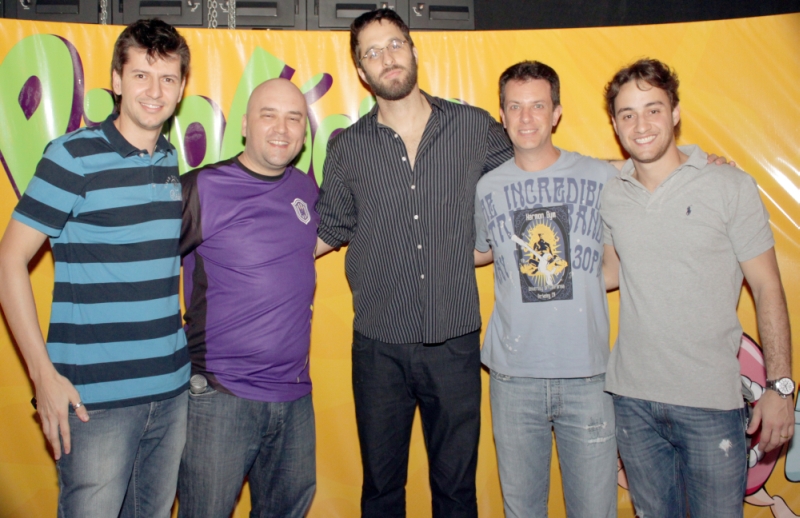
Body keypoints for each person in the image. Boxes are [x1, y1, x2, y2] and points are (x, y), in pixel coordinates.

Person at [314, 8, 513, 517]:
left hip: (455, 343)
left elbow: (530, 179)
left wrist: (647, 167)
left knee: (456, 492)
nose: (388, 58)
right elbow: (328, 229)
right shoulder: (347, 148)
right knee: (381, 491)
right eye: (373, 52)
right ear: (361, 70)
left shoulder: (473, 127)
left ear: (414, 49)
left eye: (395, 44)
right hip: (379, 348)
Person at [0, 19, 190, 517]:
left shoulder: (172, 162)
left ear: (182, 88)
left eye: (168, 78)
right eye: (142, 75)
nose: (155, 90)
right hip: (93, 403)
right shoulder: (72, 156)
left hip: (171, 392)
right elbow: (8, 261)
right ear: (117, 80)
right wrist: (42, 376)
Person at [600, 58, 795, 518]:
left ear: (675, 113)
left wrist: (781, 387)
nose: (640, 124)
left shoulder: (728, 184)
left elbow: (767, 287)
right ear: (614, 124)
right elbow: (609, 273)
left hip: (710, 404)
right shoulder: (612, 192)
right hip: (632, 402)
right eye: (627, 114)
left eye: (653, 109)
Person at [473, 61, 618, 518]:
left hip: (589, 377)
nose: (526, 118)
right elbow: (479, 252)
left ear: (556, 112)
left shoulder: (602, 176)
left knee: (595, 511)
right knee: (522, 511)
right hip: (513, 378)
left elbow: (619, 260)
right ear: (502, 114)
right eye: (515, 107)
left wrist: (703, 159)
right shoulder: (487, 188)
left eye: (538, 105)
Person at [177, 78, 318, 518]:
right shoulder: (200, 188)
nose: (282, 128)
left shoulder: (306, 191)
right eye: (268, 115)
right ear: (244, 125)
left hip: (294, 399)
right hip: (220, 396)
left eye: (294, 117)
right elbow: (134, 268)